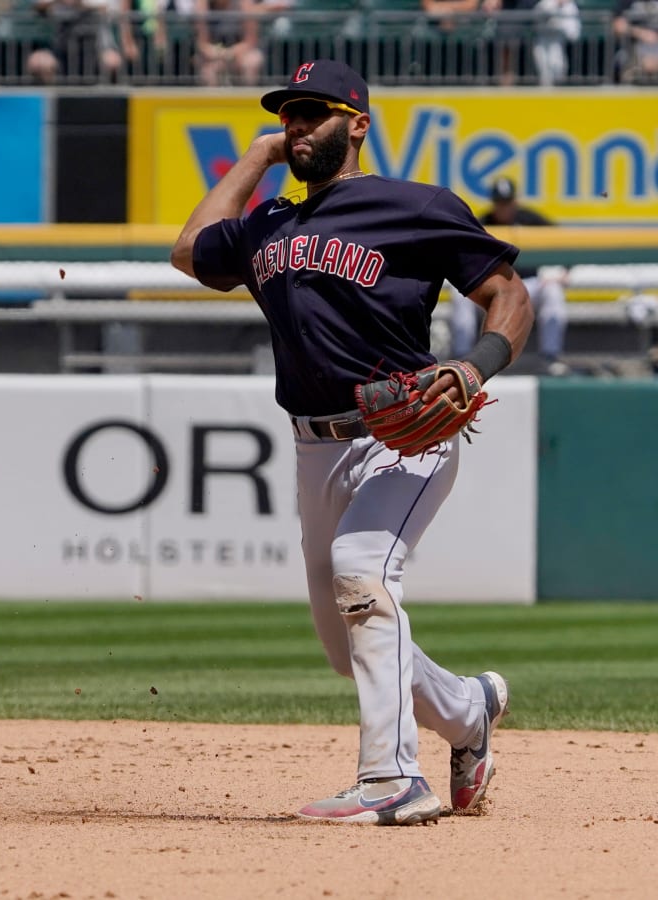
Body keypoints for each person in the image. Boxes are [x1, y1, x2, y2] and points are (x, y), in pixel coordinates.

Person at [170, 59, 534, 825]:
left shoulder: (415, 207)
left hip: (408, 430)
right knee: (349, 644)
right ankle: (469, 712)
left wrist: (475, 366)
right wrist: (260, 156)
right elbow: (188, 250)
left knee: (362, 569)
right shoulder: (270, 223)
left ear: (358, 125)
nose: (298, 124)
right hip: (314, 446)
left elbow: (507, 294)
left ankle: (393, 779)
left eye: (315, 112)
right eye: (289, 113)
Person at [450, 176, 569, 375]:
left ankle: (551, 357)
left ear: (515, 201)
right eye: (499, 203)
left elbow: (567, 246)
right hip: (491, 288)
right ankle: (460, 358)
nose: (503, 208)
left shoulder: (531, 220)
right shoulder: (482, 223)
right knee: (459, 296)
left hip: (529, 285)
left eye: (507, 202)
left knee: (552, 291)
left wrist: (561, 271)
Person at [25, 0, 123, 84]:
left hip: (96, 49)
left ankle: (104, 99)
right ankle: (55, 99)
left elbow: (107, 8)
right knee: (37, 62)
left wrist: (80, 4)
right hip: (60, 50)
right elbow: (38, 7)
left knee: (112, 61)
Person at [192, 0, 266, 87]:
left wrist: (230, 53)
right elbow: (202, 44)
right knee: (208, 72)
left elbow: (250, 41)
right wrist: (218, 53)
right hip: (213, 56)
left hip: (242, 53)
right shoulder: (202, 4)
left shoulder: (245, 3)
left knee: (252, 62)